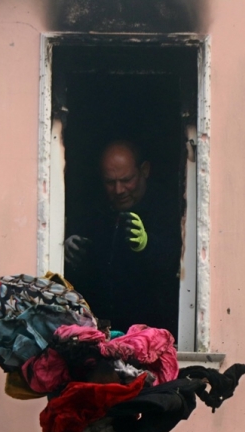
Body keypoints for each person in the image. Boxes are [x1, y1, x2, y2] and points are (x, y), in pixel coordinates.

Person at [64, 140, 182, 337]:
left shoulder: (167, 208)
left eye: (127, 180)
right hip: (99, 332)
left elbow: (176, 267)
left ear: (145, 170)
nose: (119, 190)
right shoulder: (93, 210)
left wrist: (148, 245)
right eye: (110, 182)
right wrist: (65, 250)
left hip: (149, 333)